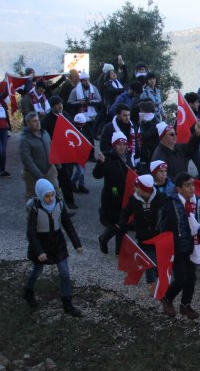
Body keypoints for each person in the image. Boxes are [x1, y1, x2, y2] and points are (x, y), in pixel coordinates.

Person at [23, 178, 84, 317]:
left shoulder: (59, 204)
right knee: (37, 270)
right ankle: (28, 291)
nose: (50, 199)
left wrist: (77, 244)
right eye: (47, 196)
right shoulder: (35, 209)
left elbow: (67, 224)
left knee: (64, 273)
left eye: (52, 195)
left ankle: (67, 303)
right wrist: (39, 251)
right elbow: (31, 233)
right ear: (40, 195)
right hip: (41, 244)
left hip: (57, 243)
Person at [160, 172, 200, 319]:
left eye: (192, 184)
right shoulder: (172, 204)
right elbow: (167, 227)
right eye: (187, 185)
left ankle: (185, 305)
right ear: (178, 189)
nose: (192, 188)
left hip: (191, 245)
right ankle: (167, 298)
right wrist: (172, 249)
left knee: (191, 278)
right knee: (181, 278)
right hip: (176, 247)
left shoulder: (195, 200)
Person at [119, 174, 167, 292]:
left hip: (157, 236)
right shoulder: (134, 199)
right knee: (148, 260)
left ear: (145, 190)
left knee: (155, 259)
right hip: (142, 236)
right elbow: (125, 212)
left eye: (137, 187)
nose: (135, 189)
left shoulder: (160, 198)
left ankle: (158, 277)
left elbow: (166, 214)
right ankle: (151, 284)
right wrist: (122, 225)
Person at [93, 132, 132, 255]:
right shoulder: (107, 157)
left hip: (125, 196)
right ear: (114, 145)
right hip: (111, 198)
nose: (122, 147)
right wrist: (100, 163)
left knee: (123, 224)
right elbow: (97, 175)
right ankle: (104, 239)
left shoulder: (127, 158)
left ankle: (119, 251)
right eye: (119, 144)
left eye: (124, 144)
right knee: (116, 223)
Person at [19, 112, 60, 201]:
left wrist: (57, 163)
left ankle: (63, 212)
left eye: (38, 120)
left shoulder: (45, 133)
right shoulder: (24, 139)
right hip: (32, 174)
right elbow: (27, 160)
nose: (38, 123)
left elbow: (51, 148)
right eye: (34, 121)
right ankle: (32, 214)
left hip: (49, 169)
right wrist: (39, 175)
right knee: (33, 195)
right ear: (28, 124)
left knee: (56, 190)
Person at [70, 113, 94, 194]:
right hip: (75, 154)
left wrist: (91, 153)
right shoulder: (73, 129)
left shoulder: (85, 129)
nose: (80, 125)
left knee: (82, 170)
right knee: (80, 171)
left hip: (83, 153)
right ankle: (72, 182)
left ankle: (81, 185)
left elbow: (90, 140)